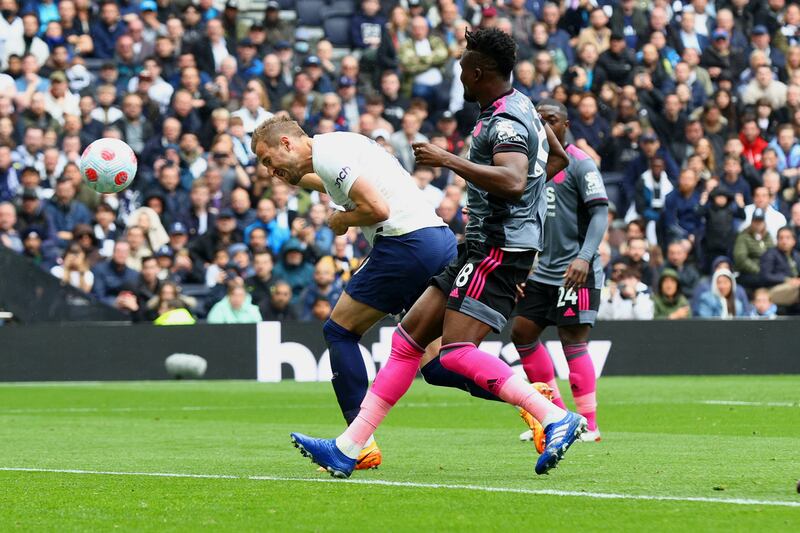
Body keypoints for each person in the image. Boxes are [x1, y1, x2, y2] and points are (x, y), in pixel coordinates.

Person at [288, 28, 576, 479]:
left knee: (456, 353)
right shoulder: (524, 109)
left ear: (478, 72)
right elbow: (554, 161)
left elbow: (516, 179)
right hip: (486, 243)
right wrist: (524, 221)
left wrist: (448, 160)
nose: (457, 72)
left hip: (497, 245)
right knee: (406, 343)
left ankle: (555, 416)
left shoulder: (504, 121)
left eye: (462, 65)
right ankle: (349, 447)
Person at [252, 110, 456, 470]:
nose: (270, 172)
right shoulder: (336, 148)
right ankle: (539, 408)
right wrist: (295, 176)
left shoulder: (330, 154)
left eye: (270, 161)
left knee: (339, 331)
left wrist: (341, 220)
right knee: (436, 365)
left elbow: (377, 208)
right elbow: (324, 181)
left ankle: (356, 445)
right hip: (437, 239)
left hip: (403, 243)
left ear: (287, 142)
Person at [496, 100, 609, 444]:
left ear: (565, 124)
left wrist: (584, 258)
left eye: (552, 119)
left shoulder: (580, 162)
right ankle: (557, 416)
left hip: (575, 271)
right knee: (523, 333)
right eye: (540, 118)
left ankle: (589, 424)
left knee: (572, 340)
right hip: (538, 271)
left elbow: (600, 214)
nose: (545, 123)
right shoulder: (530, 163)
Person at [760, 226, 800, 308]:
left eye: (788, 238)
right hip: (773, 289)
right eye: (781, 238)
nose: (784, 241)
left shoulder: (796, 255)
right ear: (777, 240)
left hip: (795, 288)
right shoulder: (770, 254)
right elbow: (765, 276)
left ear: (794, 241)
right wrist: (787, 280)